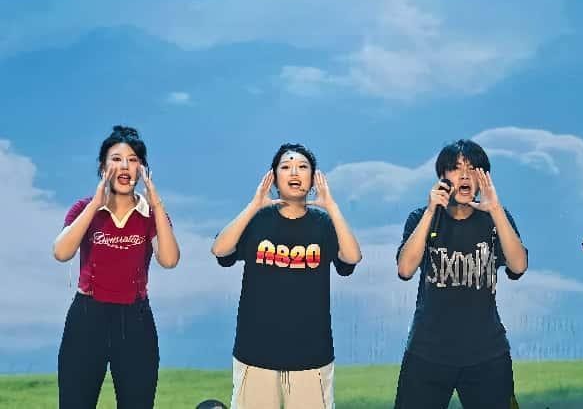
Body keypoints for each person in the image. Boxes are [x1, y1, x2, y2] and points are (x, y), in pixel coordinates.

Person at [211, 143, 362, 409]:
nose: (294, 172)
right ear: (273, 178)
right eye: (286, 166)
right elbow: (220, 249)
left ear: (313, 180)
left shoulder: (323, 224)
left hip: (311, 356)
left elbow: (352, 257)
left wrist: (331, 206)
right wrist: (254, 204)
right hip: (255, 353)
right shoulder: (257, 220)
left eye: (303, 167)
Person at [394, 139, 528, 409]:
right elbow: (405, 269)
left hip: (487, 353)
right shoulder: (421, 217)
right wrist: (431, 210)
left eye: (472, 168)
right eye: (456, 168)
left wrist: (496, 209)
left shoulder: (496, 219)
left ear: (483, 178)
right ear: (442, 177)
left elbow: (518, 266)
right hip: (427, 351)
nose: (465, 175)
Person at [53, 125, 180, 408]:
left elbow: (169, 260)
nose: (124, 166)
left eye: (133, 160)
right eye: (116, 159)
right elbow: (61, 252)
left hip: (135, 320)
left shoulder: (152, 214)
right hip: (87, 318)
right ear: (102, 167)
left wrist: (157, 204)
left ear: (142, 170)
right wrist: (95, 205)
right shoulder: (84, 208)